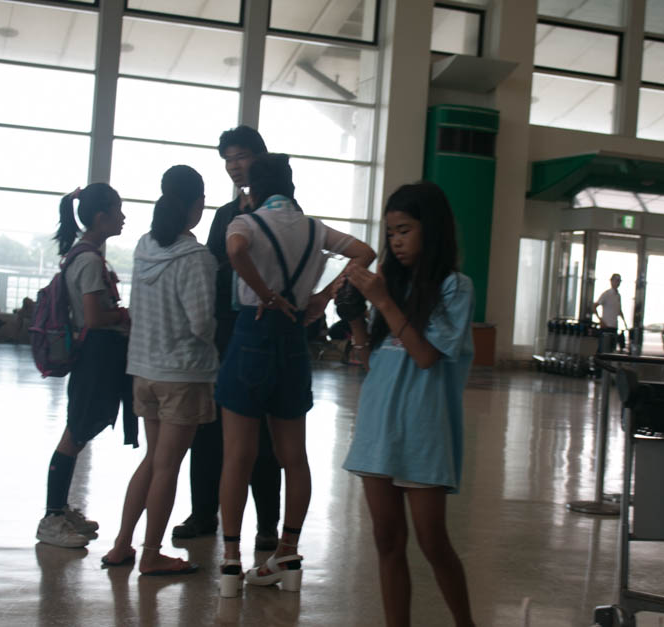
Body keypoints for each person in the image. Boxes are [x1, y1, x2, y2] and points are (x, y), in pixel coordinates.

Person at [215, 153, 375, 596]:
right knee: (294, 457)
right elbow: (365, 252)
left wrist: (265, 293)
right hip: (293, 340)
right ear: (290, 186)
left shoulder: (245, 223)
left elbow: (235, 251)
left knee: (238, 456)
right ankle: (287, 552)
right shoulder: (313, 229)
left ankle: (231, 560)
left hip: (252, 333)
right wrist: (324, 295)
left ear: (253, 189)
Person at [342, 182, 476, 627]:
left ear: (431, 229)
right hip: (377, 427)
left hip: (423, 431)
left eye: (405, 230)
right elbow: (374, 362)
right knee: (387, 540)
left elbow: (425, 355)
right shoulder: (391, 286)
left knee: (433, 542)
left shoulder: (455, 288)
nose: (396, 241)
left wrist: (382, 300)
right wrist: (356, 320)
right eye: (391, 233)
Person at [102, 165, 218, 575]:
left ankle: (122, 545)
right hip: (181, 375)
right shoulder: (196, 258)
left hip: (144, 370)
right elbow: (201, 323)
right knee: (167, 465)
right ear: (197, 205)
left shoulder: (144, 247)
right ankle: (151, 554)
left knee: (153, 460)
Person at [173, 126, 283, 551]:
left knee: (263, 431)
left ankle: (268, 523)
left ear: (260, 157)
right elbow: (213, 269)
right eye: (228, 160)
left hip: (263, 329)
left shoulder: (280, 212)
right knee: (209, 426)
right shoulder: (223, 215)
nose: (235, 167)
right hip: (224, 332)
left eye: (241, 157)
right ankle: (203, 513)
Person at [36, 183, 135, 549]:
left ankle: (60, 510)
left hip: (94, 356)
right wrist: (126, 314)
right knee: (75, 434)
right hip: (95, 355)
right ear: (100, 216)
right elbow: (94, 317)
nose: (123, 217)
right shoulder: (90, 261)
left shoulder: (83, 255)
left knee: (78, 431)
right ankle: (51, 517)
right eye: (118, 210)